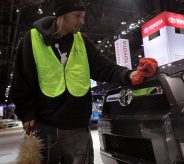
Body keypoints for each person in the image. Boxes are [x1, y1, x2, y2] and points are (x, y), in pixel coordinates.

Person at [11, 0, 158, 163]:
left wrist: (130, 74)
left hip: (79, 129)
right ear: (62, 16)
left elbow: (104, 67)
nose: (82, 21)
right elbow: (22, 80)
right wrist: (26, 113)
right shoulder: (32, 39)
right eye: (77, 16)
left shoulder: (82, 41)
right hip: (46, 128)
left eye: (83, 16)